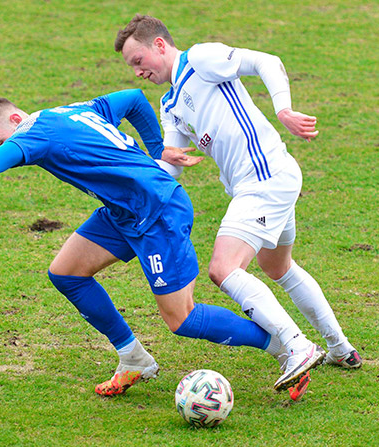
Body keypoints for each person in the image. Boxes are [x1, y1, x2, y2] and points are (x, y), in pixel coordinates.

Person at [0, 89, 317, 399]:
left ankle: (284, 347)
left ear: (14, 121)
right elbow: (134, 99)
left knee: (182, 319)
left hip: (156, 212)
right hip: (124, 211)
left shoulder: (32, 136)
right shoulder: (71, 110)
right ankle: (134, 358)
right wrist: (157, 151)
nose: (3, 152)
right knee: (65, 272)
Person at [115, 15, 362, 377]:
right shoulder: (170, 106)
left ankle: (296, 345)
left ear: (160, 45)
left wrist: (283, 109)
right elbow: (171, 165)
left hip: (265, 179)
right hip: (264, 182)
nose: (137, 72)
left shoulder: (200, 60)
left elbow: (266, 61)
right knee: (278, 267)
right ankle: (340, 348)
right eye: (131, 67)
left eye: (138, 61)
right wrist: (130, 177)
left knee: (223, 268)